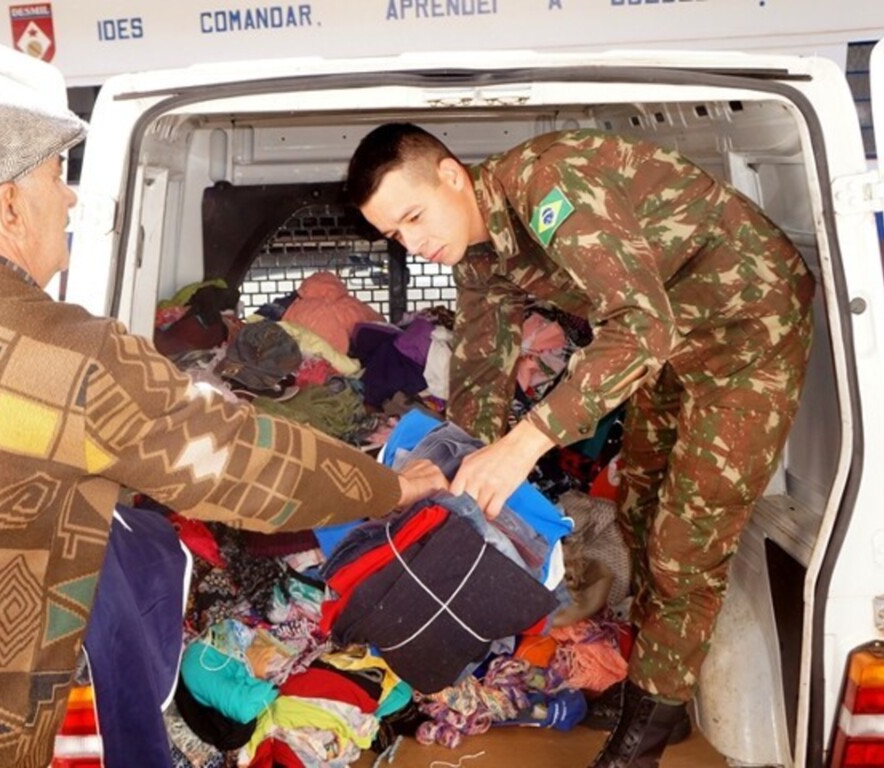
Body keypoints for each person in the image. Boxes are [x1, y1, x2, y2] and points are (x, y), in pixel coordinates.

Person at [0, 103, 447, 768]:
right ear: (8, 209)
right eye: (57, 177)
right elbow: (235, 463)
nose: (72, 194)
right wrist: (388, 485)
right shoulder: (68, 355)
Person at [347, 123, 814, 767]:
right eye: (397, 235)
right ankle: (660, 694)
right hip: (671, 347)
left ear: (453, 175)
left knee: (684, 545)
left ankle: (642, 743)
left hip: (746, 328)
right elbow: (484, 366)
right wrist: (455, 470)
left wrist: (524, 444)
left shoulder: (548, 183)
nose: (416, 243)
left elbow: (641, 324)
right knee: (640, 509)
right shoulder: (477, 252)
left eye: (415, 216)